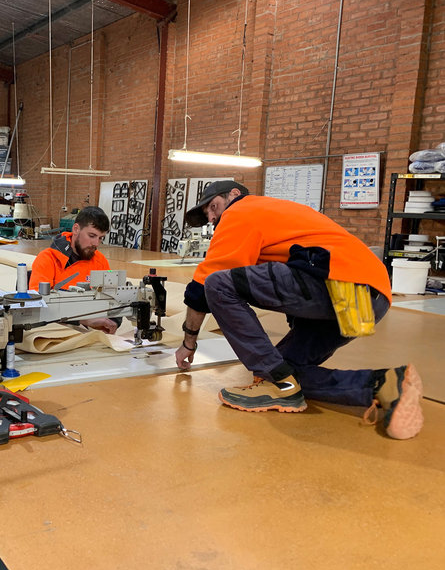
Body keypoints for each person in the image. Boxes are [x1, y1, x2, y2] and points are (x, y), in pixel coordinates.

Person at [174, 180, 424, 440]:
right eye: (208, 216)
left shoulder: (241, 210)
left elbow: (202, 286)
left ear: (234, 194)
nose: (213, 217)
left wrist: (189, 342)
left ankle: (279, 383)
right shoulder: (277, 212)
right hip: (369, 299)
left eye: (213, 207)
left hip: (341, 282)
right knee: (282, 371)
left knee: (218, 284)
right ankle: (383, 385)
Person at [29, 206, 119, 334]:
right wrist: (84, 320)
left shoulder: (100, 261)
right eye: (92, 235)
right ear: (76, 229)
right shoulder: (48, 259)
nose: (96, 243)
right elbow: (38, 307)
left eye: (101, 238)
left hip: (85, 335)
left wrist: (113, 322)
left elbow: (114, 301)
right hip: (52, 334)